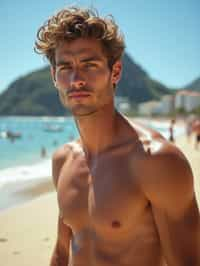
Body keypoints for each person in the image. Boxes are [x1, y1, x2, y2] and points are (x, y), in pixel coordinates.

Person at [35, 7, 200, 266]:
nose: (76, 79)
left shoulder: (157, 162)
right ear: (55, 77)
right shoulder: (62, 161)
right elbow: (60, 254)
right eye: (65, 67)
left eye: (89, 65)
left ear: (115, 72)